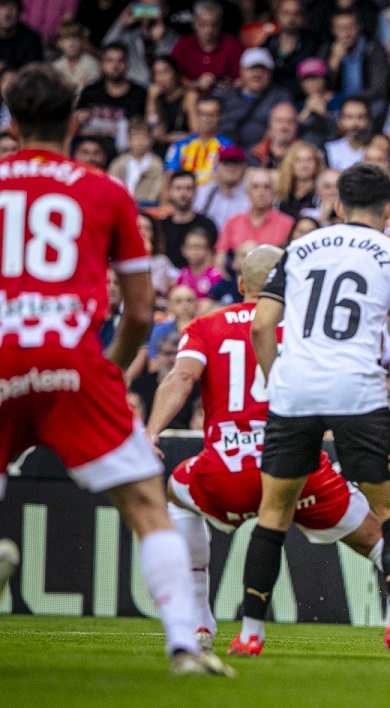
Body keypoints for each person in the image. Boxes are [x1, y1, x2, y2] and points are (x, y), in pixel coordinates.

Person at [0, 63, 230, 676]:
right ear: (76, 123)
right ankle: (184, 643)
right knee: (146, 502)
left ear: (13, 123)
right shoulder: (105, 190)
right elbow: (138, 310)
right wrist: (104, 368)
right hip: (74, 357)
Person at [145, 245, 390, 660]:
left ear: (240, 284)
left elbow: (181, 377)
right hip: (300, 468)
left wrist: (151, 432)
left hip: (226, 469)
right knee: (383, 537)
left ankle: (201, 621)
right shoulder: (307, 330)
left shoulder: (204, 326)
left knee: (178, 495)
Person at [241, 163, 390, 661]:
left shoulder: (300, 249)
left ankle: (250, 631)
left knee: (273, 513)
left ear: (335, 204)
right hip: (357, 390)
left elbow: (262, 325)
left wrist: (277, 380)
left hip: (295, 389)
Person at [76, 43, 148, 152]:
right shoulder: (90, 91)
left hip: (124, 151)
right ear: (102, 64)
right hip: (89, 149)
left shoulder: (139, 93)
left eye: (120, 61)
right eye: (109, 61)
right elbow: (75, 123)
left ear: (127, 64)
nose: (115, 66)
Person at [218, 168, 295, 264]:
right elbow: (219, 261)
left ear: (274, 192)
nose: (261, 192)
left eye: (266, 187)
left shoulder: (287, 224)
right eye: (255, 187)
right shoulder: (232, 222)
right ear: (248, 192)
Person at [320, 8, 389, 114]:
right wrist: (333, 64)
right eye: (340, 28)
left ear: (359, 27)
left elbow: (379, 87)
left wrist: (352, 101)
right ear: (333, 30)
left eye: (350, 27)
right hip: (338, 105)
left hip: (368, 103)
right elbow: (321, 88)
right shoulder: (326, 51)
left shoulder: (373, 49)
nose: (346, 33)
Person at [219, 49, 291, 149]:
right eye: (252, 69)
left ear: (270, 73)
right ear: (241, 71)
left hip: (264, 155)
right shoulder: (227, 97)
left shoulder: (280, 97)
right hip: (228, 154)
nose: (257, 74)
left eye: (263, 69)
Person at [164, 95, 232, 188]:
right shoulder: (180, 145)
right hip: (184, 199)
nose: (207, 119)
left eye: (212, 115)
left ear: (220, 116)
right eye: (202, 114)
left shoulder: (228, 147)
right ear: (196, 115)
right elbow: (169, 179)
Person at [170, 0, 241, 87]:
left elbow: (242, 79)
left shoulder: (232, 45)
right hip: (190, 95)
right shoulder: (183, 45)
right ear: (194, 23)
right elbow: (173, 80)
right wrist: (196, 84)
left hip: (225, 95)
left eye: (214, 25)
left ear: (220, 24)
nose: (209, 30)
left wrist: (230, 85)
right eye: (203, 24)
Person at [160, 171, 218, 268]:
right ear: (170, 191)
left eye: (188, 188)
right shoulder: (161, 227)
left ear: (195, 191)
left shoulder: (207, 225)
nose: (183, 193)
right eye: (178, 188)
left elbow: (213, 259)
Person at [109, 117, 165, 205]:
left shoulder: (156, 164)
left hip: (147, 205)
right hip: (122, 204)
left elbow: (157, 188)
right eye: (136, 138)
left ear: (150, 140)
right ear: (129, 140)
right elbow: (112, 185)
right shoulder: (118, 163)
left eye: (143, 138)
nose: (139, 142)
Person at [195, 145, 250, 232]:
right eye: (226, 163)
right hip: (206, 241)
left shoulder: (250, 194)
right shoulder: (203, 192)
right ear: (218, 165)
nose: (231, 167)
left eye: (236, 163)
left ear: (244, 167)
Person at [325, 96, 372, 170]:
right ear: (340, 121)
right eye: (349, 117)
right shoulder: (329, 150)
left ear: (368, 121)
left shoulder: (376, 152)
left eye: (360, 117)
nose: (355, 123)